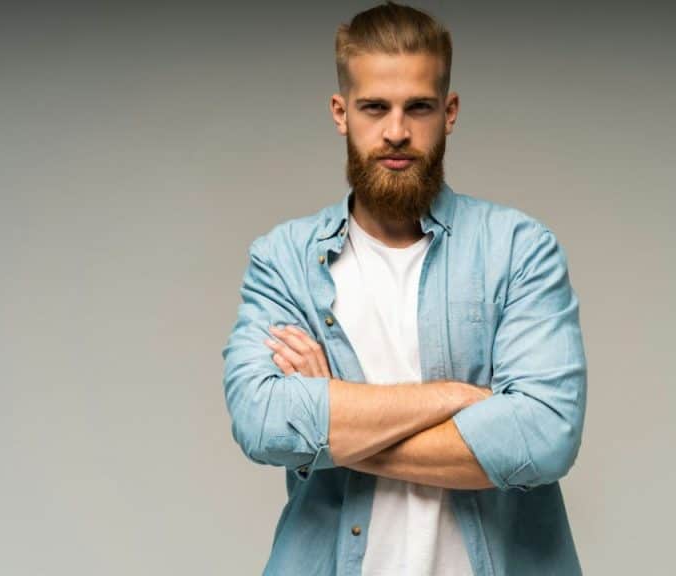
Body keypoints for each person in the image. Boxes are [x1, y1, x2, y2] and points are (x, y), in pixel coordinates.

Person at [221, 2, 587, 574]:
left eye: (418, 107)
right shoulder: (284, 258)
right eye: (375, 107)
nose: (396, 131)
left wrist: (335, 424)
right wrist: (451, 397)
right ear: (341, 113)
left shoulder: (518, 249)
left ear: (450, 110)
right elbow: (263, 421)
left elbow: (542, 438)